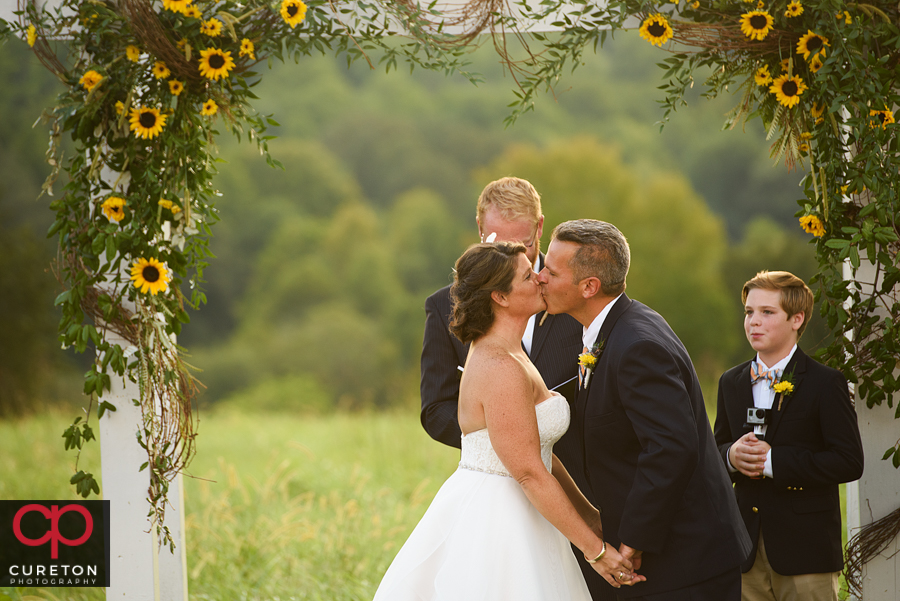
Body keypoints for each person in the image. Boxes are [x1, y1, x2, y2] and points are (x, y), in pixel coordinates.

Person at [374, 242, 644, 600]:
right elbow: (530, 472)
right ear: (500, 296)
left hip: (528, 507)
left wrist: (592, 517)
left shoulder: (512, 352)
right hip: (500, 520)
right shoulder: (499, 366)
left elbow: (542, 452)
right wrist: (595, 552)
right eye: (528, 276)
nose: (541, 278)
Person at [537, 219, 752, 601]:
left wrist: (633, 540)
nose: (540, 278)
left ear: (589, 286)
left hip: (684, 565)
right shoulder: (610, 331)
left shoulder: (637, 346)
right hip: (661, 564)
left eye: (551, 272)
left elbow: (671, 448)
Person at [713, 271, 864, 601]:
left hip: (806, 553)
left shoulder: (826, 383)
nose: (754, 321)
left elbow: (849, 462)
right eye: (749, 312)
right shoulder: (730, 381)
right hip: (743, 553)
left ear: (797, 319)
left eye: (767, 313)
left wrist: (773, 462)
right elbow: (713, 452)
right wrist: (730, 457)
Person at [420, 177, 583, 451]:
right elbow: (435, 410)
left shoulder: (576, 294)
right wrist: (504, 444)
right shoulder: (443, 306)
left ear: (540, 226)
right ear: (479, 228)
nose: (510, 256)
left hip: (578, 474)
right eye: (498, 243)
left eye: (522, 243)